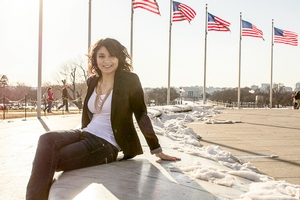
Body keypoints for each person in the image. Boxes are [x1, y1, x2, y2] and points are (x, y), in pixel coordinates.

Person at [26, 38, 180, 200]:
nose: (106, 61)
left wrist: (156, 149)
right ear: (95, 59)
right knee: (46, 139)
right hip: (84, 132)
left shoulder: (130, 80)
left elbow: (141, 114)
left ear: (119, 58)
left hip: (105, 143)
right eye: (101, 56)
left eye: (112, 56)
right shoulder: (92, 81)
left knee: (49, 160)